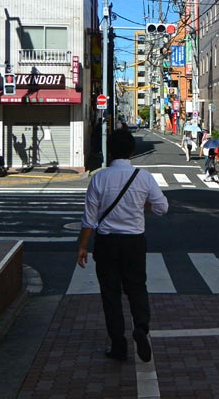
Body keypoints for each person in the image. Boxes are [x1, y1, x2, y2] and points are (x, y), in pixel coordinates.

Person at [76, 128, 169, 362]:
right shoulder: (144, 177)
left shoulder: (99, 177)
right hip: (134, 242)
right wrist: (143, 204)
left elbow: (89, 218)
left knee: (111, 294)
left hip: (106, 243)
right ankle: (141, 327)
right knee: (137, 287)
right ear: (131, 150)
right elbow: (162, 208)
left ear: (110, 150)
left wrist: (82, 247)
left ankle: (118, 345)